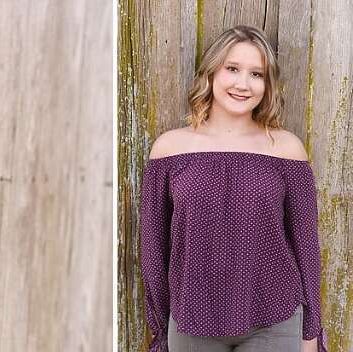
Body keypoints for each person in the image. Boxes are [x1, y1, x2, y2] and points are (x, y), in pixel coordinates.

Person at [139, 25, 326, 352]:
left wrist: (311, 333)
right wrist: (162, 329)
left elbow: (306, 245)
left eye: (257, 74)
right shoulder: (170, 149)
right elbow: (154, 248)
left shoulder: (286, 149)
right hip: (192, 319)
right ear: (211, 72)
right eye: (233, 69)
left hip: (275, 318)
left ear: (267, 85)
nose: (243, 84)